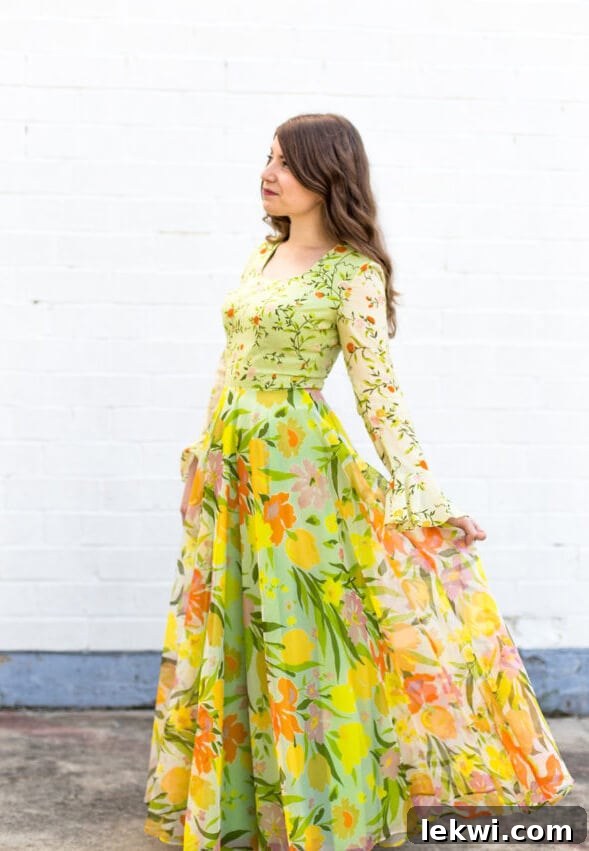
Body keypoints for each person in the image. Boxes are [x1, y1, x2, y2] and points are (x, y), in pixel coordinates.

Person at [143, 113, 574, 850]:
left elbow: (378, 395)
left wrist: (423, 493)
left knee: (307, 642)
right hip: (233, 472)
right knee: (237, 635)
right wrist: (201, 452)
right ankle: (252, 811)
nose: (267, 172)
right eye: (267, 158)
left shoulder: (353, 272)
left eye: (285, 161)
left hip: (298, 476)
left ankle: (332, 814)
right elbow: (231, 361)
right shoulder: (261, 257)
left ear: (326, 173)